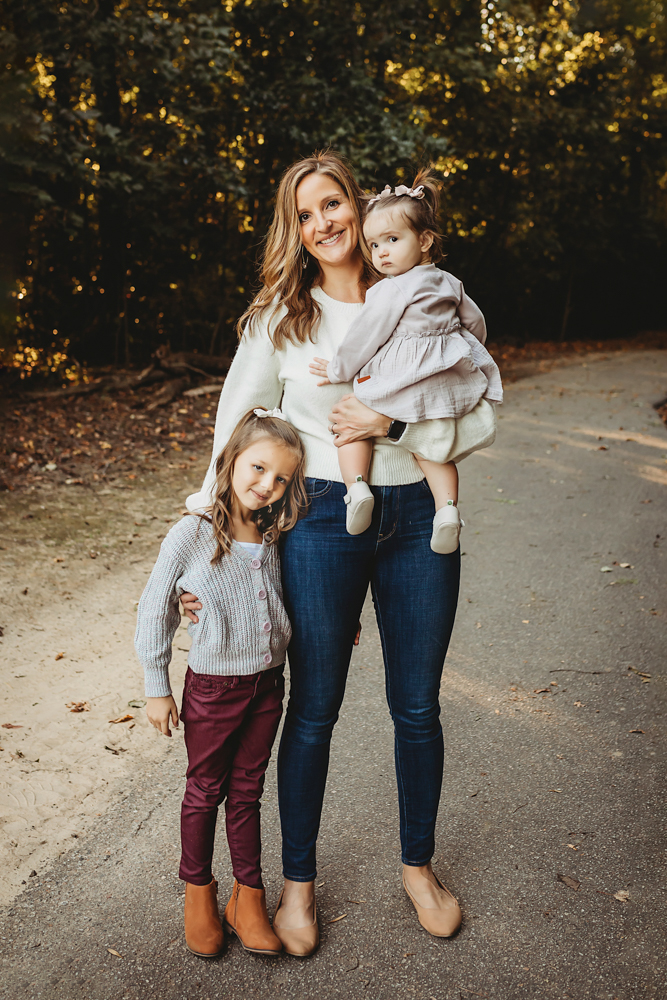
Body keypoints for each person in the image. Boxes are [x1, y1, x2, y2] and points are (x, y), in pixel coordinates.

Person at [184, 150, 497, 953]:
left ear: (360, 210)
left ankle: (417, 869)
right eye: (306, 213)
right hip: (322, 518)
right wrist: (205, 543)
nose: (324, 222)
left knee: (417, 706)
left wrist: (392, 428)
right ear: (295, 230)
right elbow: (234, 433)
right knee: (314, 708)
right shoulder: (281, 319)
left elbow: (478, 408)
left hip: (423, 517)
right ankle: (296, 888)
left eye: (334, 204)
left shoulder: (428, 297)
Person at [135, 408, 307, 959]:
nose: (267, 485)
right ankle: (199, 896)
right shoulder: (191, 533)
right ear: (230, 460)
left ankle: (248, 898)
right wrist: (156, 685)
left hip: (267, 687)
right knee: (205, 790)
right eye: (258, 468)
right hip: (212, 687)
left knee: (248, 792)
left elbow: (291, 596)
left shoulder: (275, 532)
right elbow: (155, 608)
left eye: (281, 478)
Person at [309, 170, 502, 552]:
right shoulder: (449, 281)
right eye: (374, 244)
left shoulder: (389, 289)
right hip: (445, 378)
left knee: (351, 421)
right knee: (430, 448)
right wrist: (462, 354)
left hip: (403, 378)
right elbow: (476, 323)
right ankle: (447, 510)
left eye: (392, 240)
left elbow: (365, 337)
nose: (381, 252)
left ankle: (357, 488)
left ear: (425, 240)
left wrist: (338, 369)